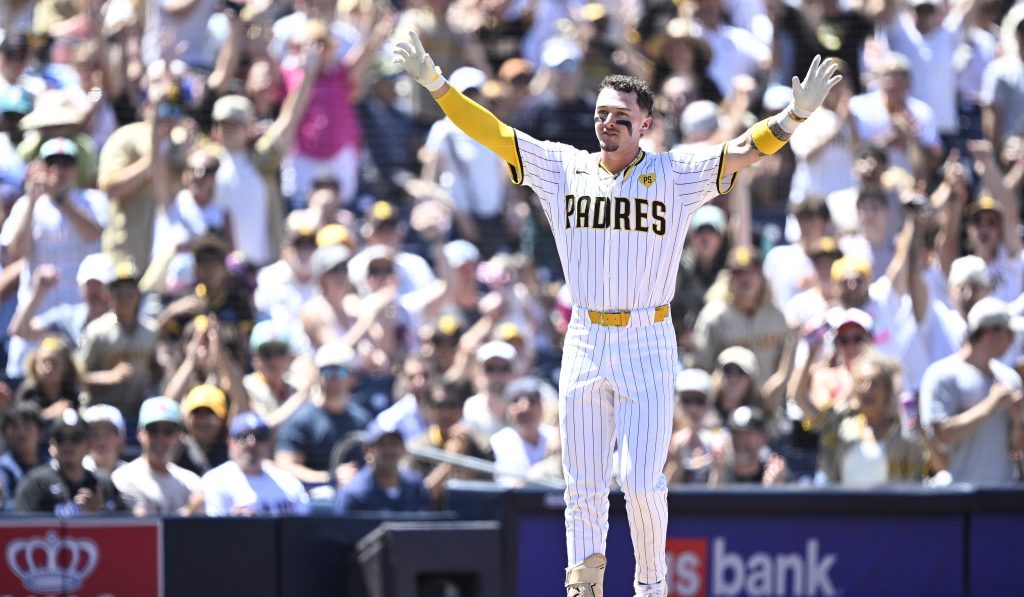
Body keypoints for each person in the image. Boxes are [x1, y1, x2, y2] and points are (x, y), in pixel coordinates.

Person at [394, 34, 841, 596]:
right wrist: (437, 83)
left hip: (647, 336)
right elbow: (493, 133)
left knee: (641, 482)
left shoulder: (675, 174)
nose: (607, 123)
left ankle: (650, 587)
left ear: (646, 123)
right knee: (582, 482)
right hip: (584, 334)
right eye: (601, 113)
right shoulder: (562, 167)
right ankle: (584, 586)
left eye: (620, 115)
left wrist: (796, 115)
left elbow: (746, 149)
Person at [919, 297, 1024, 484]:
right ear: (991, 333)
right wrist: (991, 404)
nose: (1013, 341)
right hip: (959, 497)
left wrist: (1017, 421)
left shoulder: (1009, 378)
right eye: (1009, 333)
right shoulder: (941, 374)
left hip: (1004, 496)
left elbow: (1017, 449)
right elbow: (942, 436)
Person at [14, 408, 123, 515]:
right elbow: (23, 529)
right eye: (61, 438)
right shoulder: (35, 484)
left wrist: (99, 514)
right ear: (52, 445)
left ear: (88, 445)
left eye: (76, 438)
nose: (68, 444)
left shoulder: (103, 483)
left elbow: (125, 526)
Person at [202, 412, 311, 517]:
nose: (251, 443)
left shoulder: (289, 483)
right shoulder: (215, 481)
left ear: (269, 443)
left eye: (259, 437)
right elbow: (212, 531)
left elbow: (303, 527)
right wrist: (232, 522)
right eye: (243, 437)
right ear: (230, 442)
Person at [112, 396, 201, 516]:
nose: (161, 438)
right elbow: (144, 527)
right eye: (153, 430)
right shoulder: (123, 478)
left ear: (178, 436)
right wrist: (188, 512)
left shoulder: (191, 481)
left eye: (168, 431)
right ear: (140, 434)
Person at [334, 424, 429, 514]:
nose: (388, 450)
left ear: (403, 448)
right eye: (382, 445)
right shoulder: (355, 493)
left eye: (394, 444)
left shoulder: (415, 486)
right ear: (368, 451)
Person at [489, 376, 559, 488]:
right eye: (516, 400)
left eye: (532, 400)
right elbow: (511, 489)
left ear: (542, 405)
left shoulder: (556, 436)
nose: (525, 408)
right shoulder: (498, 442)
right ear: (506, 408)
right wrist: (543, 467)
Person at [0, 401, 45, 509]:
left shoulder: (51, 465)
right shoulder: (3, 467)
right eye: (14, 426)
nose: (21, 432)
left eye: (27, 425)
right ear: (5, 433)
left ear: (40, 433)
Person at [81, 403, 126, 474]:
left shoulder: (133, 475)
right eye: (94, 435)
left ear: (121, 439)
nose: (101, 442)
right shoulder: (74, 474)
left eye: (107, 434)